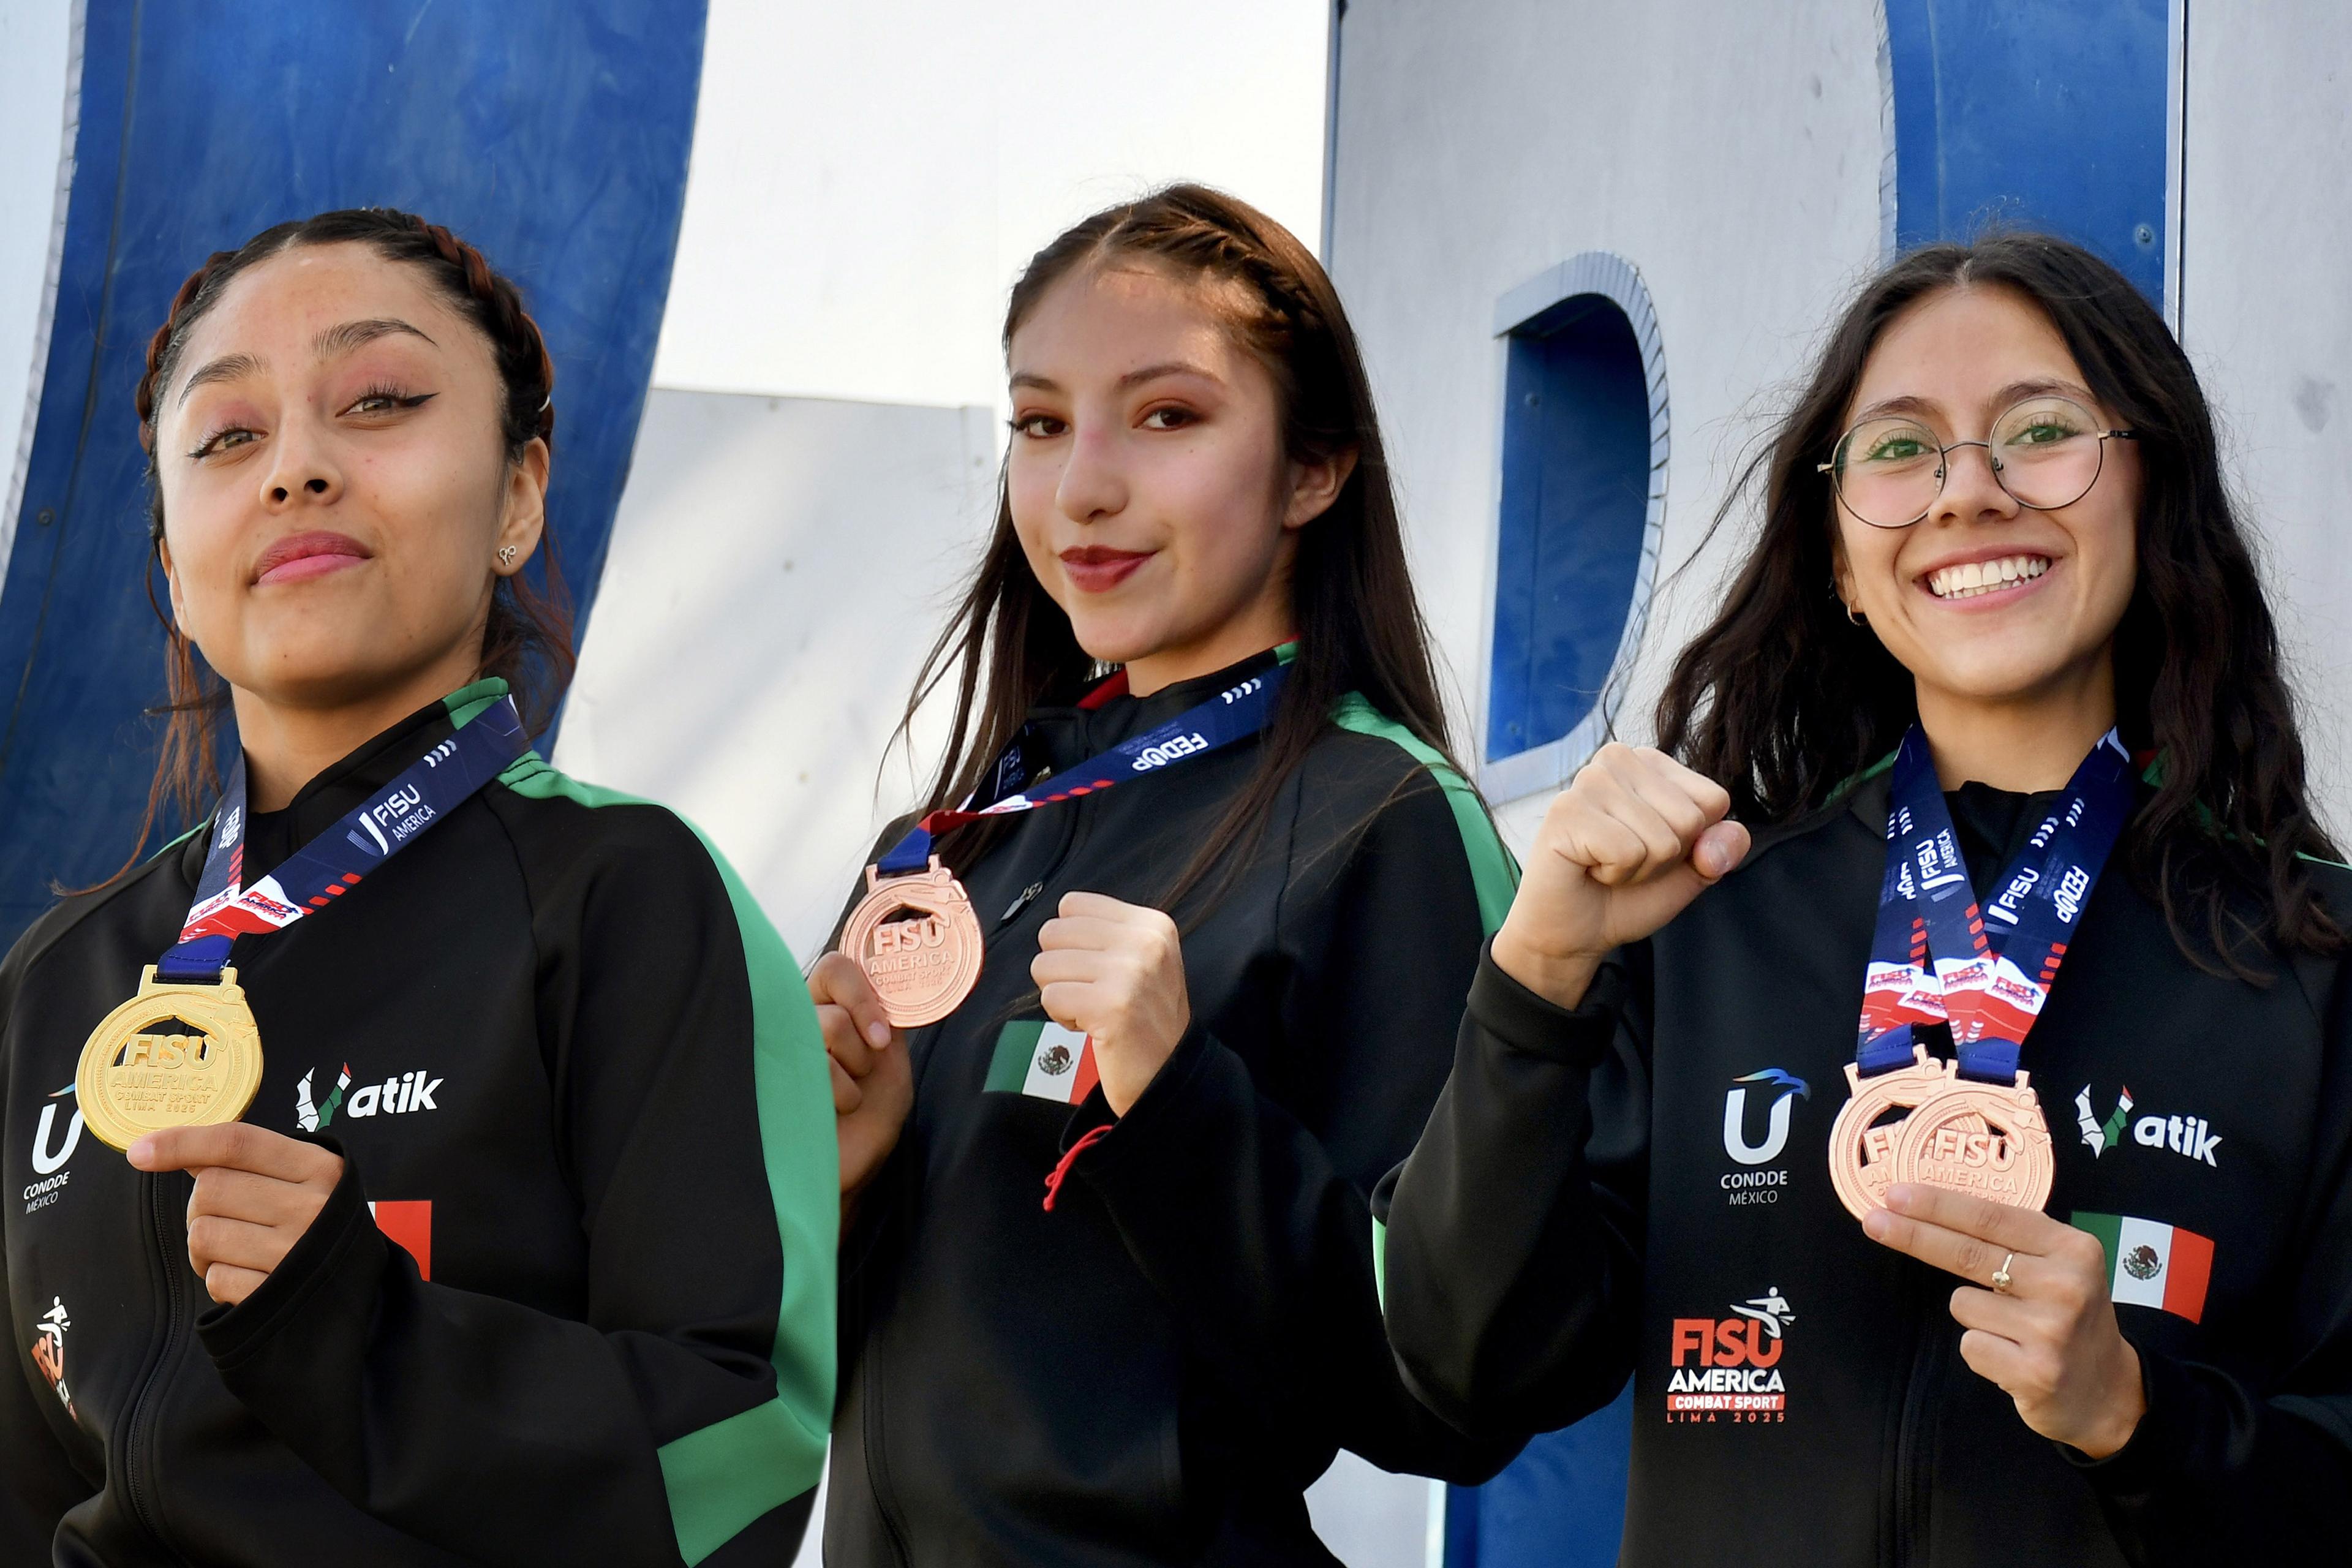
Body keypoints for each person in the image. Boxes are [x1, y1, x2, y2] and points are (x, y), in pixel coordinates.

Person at [1378, 233, 2352, 1564]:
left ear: (2153, 490)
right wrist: (1534, 980)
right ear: (1838, 553)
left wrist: (2140, 1418)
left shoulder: (2312, 959)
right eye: (1901, 449)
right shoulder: (1695, 918)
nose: (1970, 492)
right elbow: (1461, 1369)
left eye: (2041, 431)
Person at [0, 208, 835, 1567]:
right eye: (228, 437)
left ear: (518, 497)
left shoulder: (628, 897)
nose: (296, 469)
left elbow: (736, 1464)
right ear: (172, 567)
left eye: (378, 401)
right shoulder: (60, 976)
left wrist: (362, 1330)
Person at [813, 184, 1520, 1564]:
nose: (1083, 485)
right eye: (1041, 422)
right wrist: (836, 1189)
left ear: (1314, 470)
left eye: (1167, 416)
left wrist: (1178, 1094)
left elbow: (1449, 1375)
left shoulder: (1383, 815)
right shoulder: (957, 838)